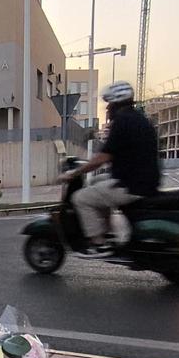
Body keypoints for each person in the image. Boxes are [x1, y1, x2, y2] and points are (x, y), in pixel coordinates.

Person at [58, 80, 160, 258]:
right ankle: (107, 231)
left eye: (109, 104)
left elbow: (103, 158)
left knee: (80, 198)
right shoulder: (140, 120)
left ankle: (99, 243)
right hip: (144, 180)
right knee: (97, 182)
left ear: (116, 104)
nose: (107, 109)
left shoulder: (122, 122)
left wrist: (73, 173)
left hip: (131, 186)